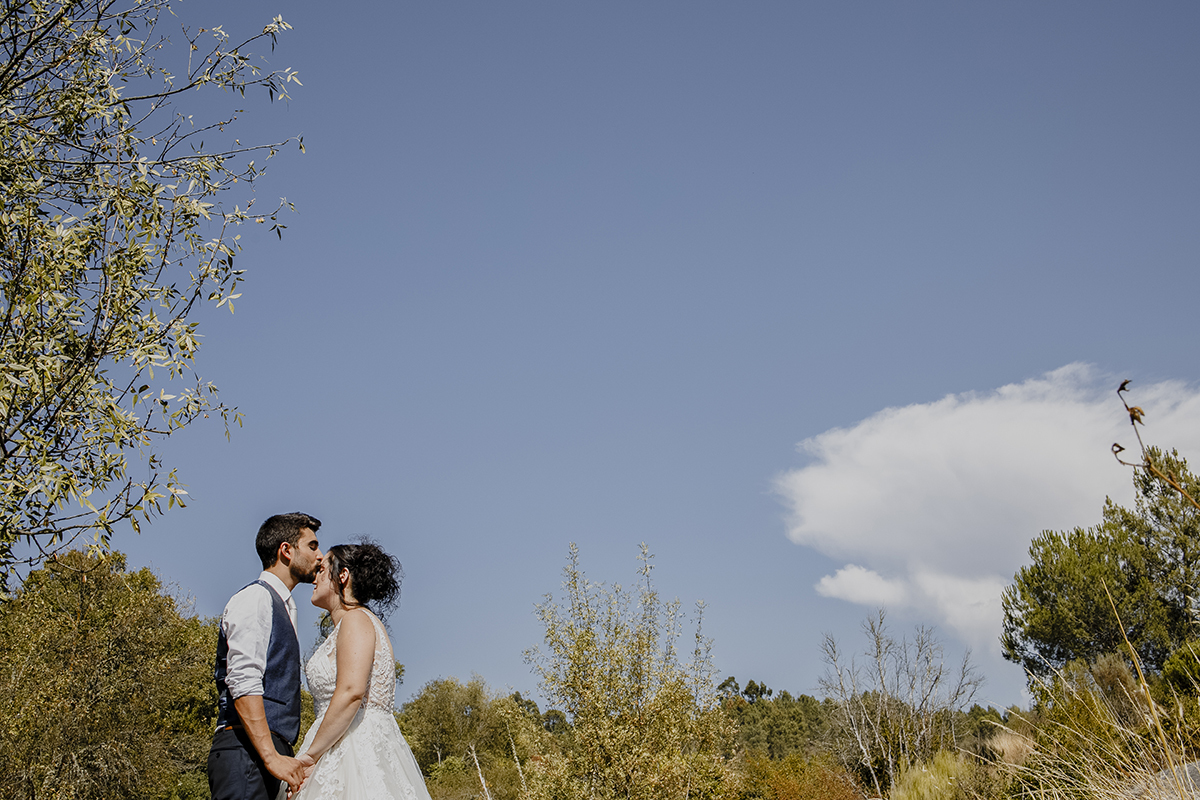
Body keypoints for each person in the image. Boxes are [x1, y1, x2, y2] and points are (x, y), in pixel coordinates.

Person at [287, 541, 433, 800]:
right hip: (338, 739)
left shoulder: (355, 620)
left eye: (322, 570)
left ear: (342, 576)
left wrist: (310, 757)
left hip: (353, 747)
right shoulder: (355, 623)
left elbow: (352, 691)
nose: (314, 578)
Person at [208, 513, 324, 800]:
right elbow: (243, 679)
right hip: (246, 752)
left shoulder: (285, 606)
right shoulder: (256, 599)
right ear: (286, 550)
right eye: (312, 546)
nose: (320, 556)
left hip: (265, 753)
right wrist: (271, 757)